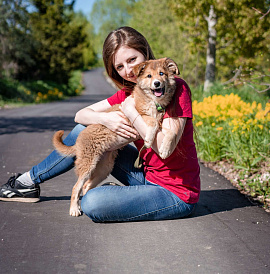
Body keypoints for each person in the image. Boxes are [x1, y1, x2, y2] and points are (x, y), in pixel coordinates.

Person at [0, 26, 200, 222]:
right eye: (120, 67)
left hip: (174, 192)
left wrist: (131, 112)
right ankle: (28, 182)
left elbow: (165, 150)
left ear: (145, 53)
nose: (128, 70)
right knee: (82, 130)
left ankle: (122, 196)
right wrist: (106, 119)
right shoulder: (131, 93)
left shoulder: (176, 88)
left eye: (132, 60)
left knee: (92, 203)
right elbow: (81, 115)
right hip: (146, 174)